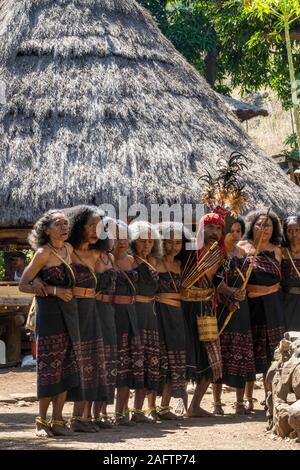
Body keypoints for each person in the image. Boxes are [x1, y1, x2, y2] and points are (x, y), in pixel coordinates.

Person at [19, 210, 81, 437]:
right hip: (49, 315)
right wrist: (52, 289)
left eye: (66, 223)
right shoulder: (43, 254)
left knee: (66, 365)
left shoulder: (69, 249)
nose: (64, 227)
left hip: (69, 314)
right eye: (58, 224)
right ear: (47, 229)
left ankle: (58, 419)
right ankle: (40, 421)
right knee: (48, 367)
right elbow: (23, 284)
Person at [238, 210, 285, 411]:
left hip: (273, 306)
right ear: (251, 226)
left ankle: (270, 395)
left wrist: (269, 290)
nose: (263, 229)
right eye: (259, 224)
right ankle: (247, 398)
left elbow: (280, 280)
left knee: (272, 352)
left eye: (268, 225)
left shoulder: (277, 250)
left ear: (274, 228)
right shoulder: (242, 248)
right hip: (251, 306)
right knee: (251, 350)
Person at [67, 205, 107, 433]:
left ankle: (81, 417)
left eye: (99, 226)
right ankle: (63, 419)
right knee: (73, 362)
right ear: (78, 226)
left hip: (93, 310)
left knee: (91, 362)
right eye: (90, 225)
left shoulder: (97, 254)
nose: (95, 230)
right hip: (72, 310)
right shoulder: (66, 252)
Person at [212, 217, 256, 415]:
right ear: (223, 232)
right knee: (220, 353)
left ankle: (239, 402)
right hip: (222, 307)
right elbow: (214, 281)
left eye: (239, 231)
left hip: (241, 307)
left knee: (242, 352)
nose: (235, 234)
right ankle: (217, 403)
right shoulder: (217, 253)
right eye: (232, 230)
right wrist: (230, 292)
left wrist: (242, 293)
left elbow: (247, 281)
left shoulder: (244, 254)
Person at [147, 222, 188, 421]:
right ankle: (151, 408)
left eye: (178, 242)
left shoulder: (181, 265)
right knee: (158, 359)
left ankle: (165, 407)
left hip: (177, 315)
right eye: (169, 242)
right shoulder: (154, 262)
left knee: (175, 359)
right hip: (159, 314)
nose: (173, 246)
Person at [128, 221, 161, 423]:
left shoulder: (153, 262)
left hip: (151, 314)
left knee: (150, 361)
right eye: (142, 240)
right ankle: (123, 411)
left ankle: (142, 409)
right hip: (135, 313)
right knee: (134, 360)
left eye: (150, 240)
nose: (147, 244)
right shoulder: (129, 261)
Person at [113, 220, 144, 425]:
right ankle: (99, 413)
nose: (122, 241)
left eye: (125, 237)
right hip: (112, 314)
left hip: (132, 313)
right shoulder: (103, 259)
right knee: (113, 362)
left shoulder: (133, 260)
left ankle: (121, 412)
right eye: (117, 237)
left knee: (129, 363)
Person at [281, 214, 300, 331]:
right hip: (287, 301)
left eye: (298, 230)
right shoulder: (281, 252)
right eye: (290, 231)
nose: (294, 234)